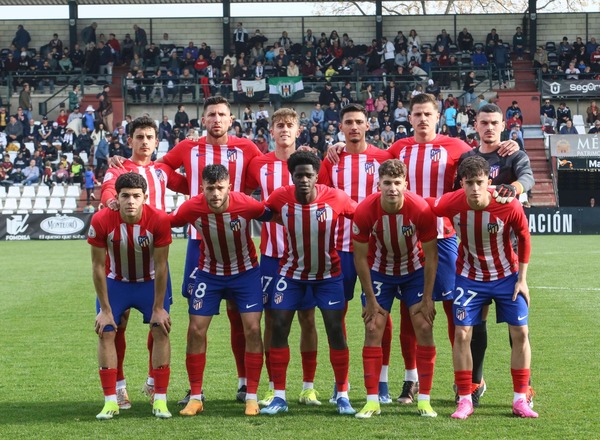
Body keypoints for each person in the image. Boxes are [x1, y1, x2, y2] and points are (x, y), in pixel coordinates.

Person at [429, 155, 538, 420]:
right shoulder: (450, 203)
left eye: (480, 182)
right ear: (461, 184)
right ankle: (465, 398)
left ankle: (520, 399)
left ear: (489, 181)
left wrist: (522, 279)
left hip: (507, 277)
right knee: (462, 334)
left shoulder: (507, 204)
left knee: (521, 333)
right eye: (469, 183)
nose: (475, 189)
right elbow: (424, 210)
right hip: (469, 279)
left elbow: (524, 238)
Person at [261, 151, 358, 416]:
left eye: (308, 175)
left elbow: (361, 215)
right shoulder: (280, 197)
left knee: (335, 330)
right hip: (291, 275)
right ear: (292, 177)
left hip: (328, 276)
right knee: (279, 326)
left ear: (317, 176)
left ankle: (342, 394)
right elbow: (262, 213)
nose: (303, 180)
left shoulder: (335, 197)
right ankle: (279, 396)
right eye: (299, 175)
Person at [170, 164, 269, 417]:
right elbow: (168, 222)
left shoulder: (246, 204)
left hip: (245, 274)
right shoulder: (192, 207)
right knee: (195, 330)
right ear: (202, 187)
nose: (215, 193)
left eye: (220, 188)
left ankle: (252, 397)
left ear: (230, 187)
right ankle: (195, 396)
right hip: (209, 274)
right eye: (210, 188)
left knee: (253, 329)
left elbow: (273, 214)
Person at [245, 108, 322, 408]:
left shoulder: (310, 163)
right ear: (271, 131)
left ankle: (308, 387)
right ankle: (273, 386)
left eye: (290, 125)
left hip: (305, 257)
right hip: (272, 257)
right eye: (279, 125)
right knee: (273, 321)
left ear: (299, 129)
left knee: (307, 318)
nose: (285, 130)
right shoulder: (258, 164)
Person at [318, 104, 394, 402]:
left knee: (380, 316)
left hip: (377, 252)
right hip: (339, 249)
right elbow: (320, 198)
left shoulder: (383, 158)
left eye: (358, 122)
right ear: (341, 126)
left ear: (368, 125)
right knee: (336, 317)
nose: (353, 127)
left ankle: (382, 384)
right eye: (348, 122)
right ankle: (342, 387)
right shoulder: (331, 160)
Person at [352, 159, 439, 419]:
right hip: (380, 272)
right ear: (378, 184)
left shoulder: (421, 209)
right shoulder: (365, 210)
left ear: (406, 185)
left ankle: (424, 400)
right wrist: (369, 297)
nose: (392, 188)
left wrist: (428, 297)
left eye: (397, 183)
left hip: (413, 271)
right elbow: (359, 257)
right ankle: (371, 401)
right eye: (387, 183)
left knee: (424, 325)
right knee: (372, 327)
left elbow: (432, 257)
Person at [88, 172, 173, 420]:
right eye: (125, 196)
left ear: (145, 197)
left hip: (149, 282)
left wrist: (158, 307)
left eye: (136, 196)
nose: (131, 201)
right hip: (117, 282)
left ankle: (160, 400)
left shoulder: (158, 219)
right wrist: (105, 310)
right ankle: (110, 401)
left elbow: (161, 266)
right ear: (117, 198)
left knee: (160, 328)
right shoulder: (102, 220)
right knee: (106, 330)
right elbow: (97, 267)